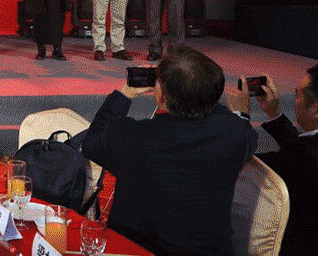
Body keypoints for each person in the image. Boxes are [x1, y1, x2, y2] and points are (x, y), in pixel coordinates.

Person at [82, 45, 257, 256]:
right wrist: (239, 112)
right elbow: (240, 127)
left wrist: (124, 94)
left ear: (162, 96)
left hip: (136, 250)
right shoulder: (235, 134)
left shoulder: (133, 137)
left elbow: (91, 143)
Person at [229, 66, 318, 256]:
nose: (295, 101)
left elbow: (238, 158)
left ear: (316, 109)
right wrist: (274, 113)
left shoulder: (302, 158)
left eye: (297, 94)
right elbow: (302, 145)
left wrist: (239, 116)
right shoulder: (306, 151)